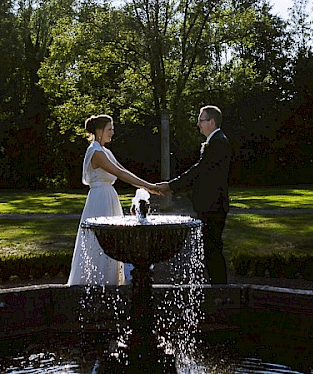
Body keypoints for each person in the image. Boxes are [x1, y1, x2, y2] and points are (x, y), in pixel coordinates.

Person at [67, 114, 162, 286]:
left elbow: (123, 169)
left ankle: (112, 282)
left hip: (109, 196)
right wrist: (150, 187)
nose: (112, 132)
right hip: (99, 199)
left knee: (114, 242)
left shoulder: (106, 151)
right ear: (99, 131)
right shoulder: (95, 152)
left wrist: (148, 186)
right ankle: (95, 283)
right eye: (109, 129)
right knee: (100, 241)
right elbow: (120, 174)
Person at [159, 105, 232, 284]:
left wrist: (170, 186)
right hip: (209, 204)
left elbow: (199, 171)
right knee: (210, 249)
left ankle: (220, 291)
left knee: (212, 249)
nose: (198, 124)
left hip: (213, 205)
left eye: (201, 120)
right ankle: (217, 289)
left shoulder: (218, 143)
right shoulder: (215, 141)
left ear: (212, 122)